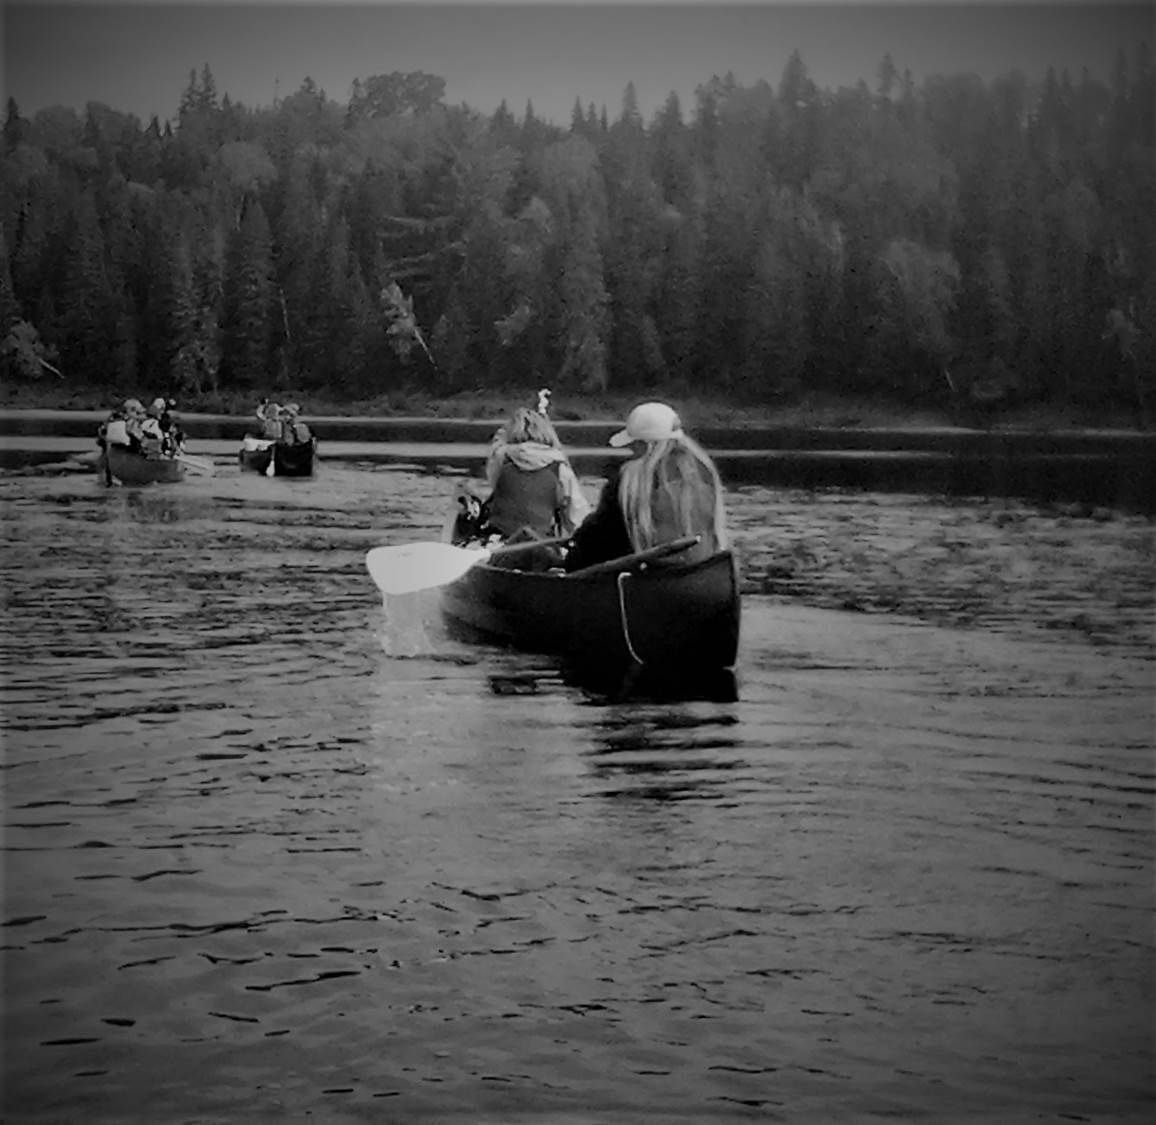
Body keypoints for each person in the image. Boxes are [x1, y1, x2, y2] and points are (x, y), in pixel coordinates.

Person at [564, 401, 727, 572]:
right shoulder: (704, 472)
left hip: (651, 576)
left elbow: (602, 537)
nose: (632, 452)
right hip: (703, 571)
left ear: (644, 444)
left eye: (633, 446)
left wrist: (573, 555)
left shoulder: (629, 481)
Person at [481, 401, 590, 549]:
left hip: (500, 541)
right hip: (541, 543)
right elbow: (577, 516)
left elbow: (493, 482)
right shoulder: (559, 466)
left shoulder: (502, 457)